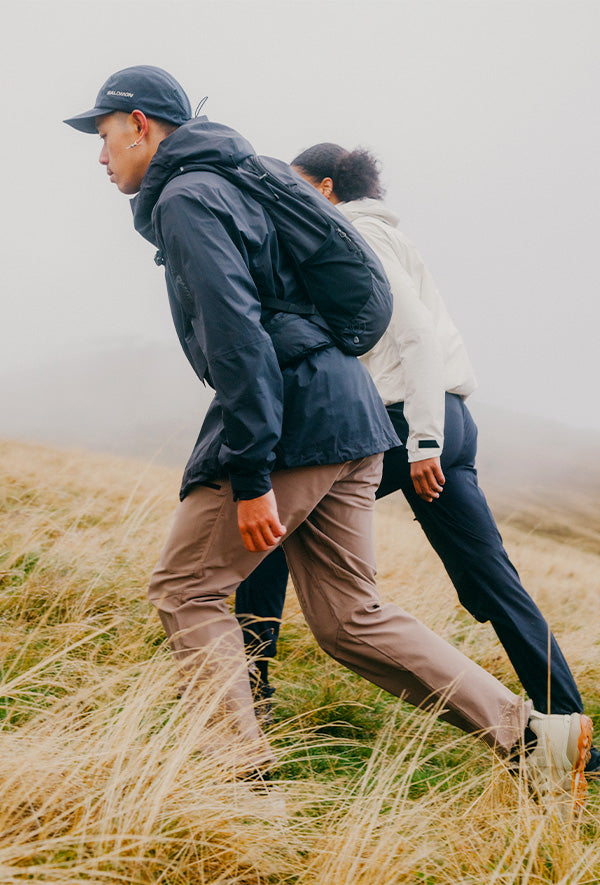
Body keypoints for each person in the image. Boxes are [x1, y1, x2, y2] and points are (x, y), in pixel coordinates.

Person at [64, 66, 592, 798]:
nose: (100, 155)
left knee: (186, 589)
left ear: (141, 124)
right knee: (350, 617)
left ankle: (237, 779)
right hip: (356, 413)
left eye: (105, 135)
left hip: (297, 416)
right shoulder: (246, 178)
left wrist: (251, 476)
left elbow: (238, 339)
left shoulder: (188, 197)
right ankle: (533, 733)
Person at [238, 140, 600, 773]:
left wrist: (423, 439)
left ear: (325, 189)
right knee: (493, 582)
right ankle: (567, 732)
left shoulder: (356, 237)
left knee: (268, 530)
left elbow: (417, 338)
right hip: (450, 421)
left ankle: (248, 697)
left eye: (297, 185)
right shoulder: (385, 236)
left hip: (409, 422)